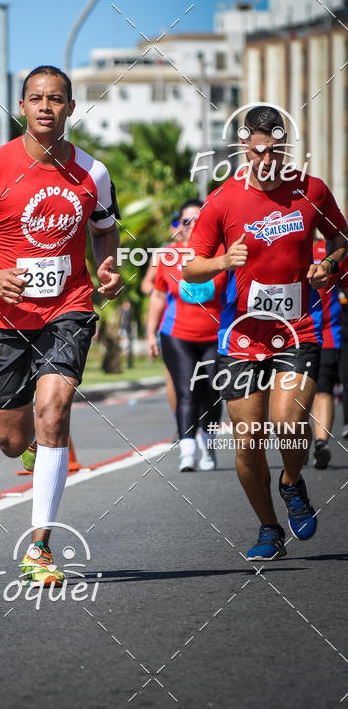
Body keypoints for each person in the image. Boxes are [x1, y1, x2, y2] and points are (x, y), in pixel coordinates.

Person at [0, 65, 122, 585]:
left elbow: (104, 229)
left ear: (70, 108)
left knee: (54, 409)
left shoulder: (93, 172)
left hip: (68, 307)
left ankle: (39, 547)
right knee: (11, 438)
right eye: (36, 98)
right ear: (21, 107)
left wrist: (108, 267)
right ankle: (34, 448)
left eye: (56, 99)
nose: (46, 106)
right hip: (1, 317)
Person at [183, 103, 348, 560]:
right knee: (249, 442)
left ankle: (291, 482)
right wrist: (222, 261)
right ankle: (269, 528)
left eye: (275, 150)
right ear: (244, 147)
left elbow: (341, 239)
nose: (267, 159)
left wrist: (329, 266)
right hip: (240, 336)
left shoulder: (311, 190)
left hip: (298, 329)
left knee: (289, 423)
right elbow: (191, 268)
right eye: (258, 151)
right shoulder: (223, 200)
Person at [146, 200, 227, 471]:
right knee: (187, 391)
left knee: (212, 391)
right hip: (177, 335)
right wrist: (150, 334)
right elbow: (158, 296)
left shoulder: (222, 254)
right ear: (179, 225)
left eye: (197, 220)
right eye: (186, 221)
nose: (191, 226)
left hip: (215, 336)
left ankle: (208, 445)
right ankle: (187, 451)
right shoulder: (168, 256)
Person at [309, 236, 348, 467]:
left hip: (326, 332)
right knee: (299, 392)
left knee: (323, 387)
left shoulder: (335, 253)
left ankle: (321, 443)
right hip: (287, 333)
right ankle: (304, 441)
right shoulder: (281, 246)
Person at [141, 212, 180, 419]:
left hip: (201, 324)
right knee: (173, 375)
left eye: (185, 222)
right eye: (175, 222)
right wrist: (161, 293)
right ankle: (181, 424)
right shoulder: (162, 253)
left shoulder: (205, 249)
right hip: (169, 321)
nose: (179, 226)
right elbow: (146, 283)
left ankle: (201, 424)